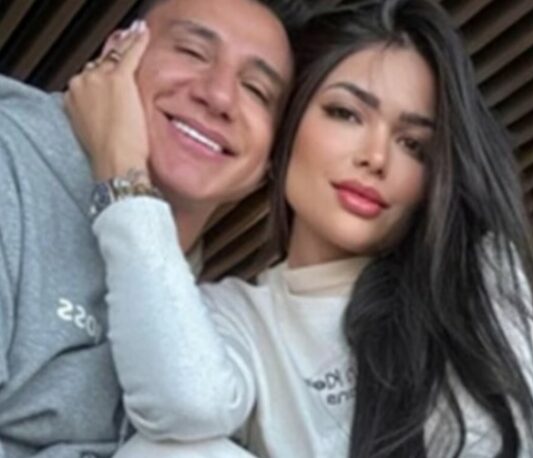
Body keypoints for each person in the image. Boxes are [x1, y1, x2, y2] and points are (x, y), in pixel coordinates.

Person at [67, 0, 533, 456]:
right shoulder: (233, 314)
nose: (375, 157)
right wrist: (123, 174)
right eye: (345, 114)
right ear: (286, 128)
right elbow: (185, 406)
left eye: (414, 145)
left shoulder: (475, 278)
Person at [0, 0, 307, 456]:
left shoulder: (212, 310)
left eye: (257, 90)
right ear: (117, 53)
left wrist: (122, 181)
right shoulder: (10, 161)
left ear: (270, 162)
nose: (220, 96)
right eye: (193, 52)